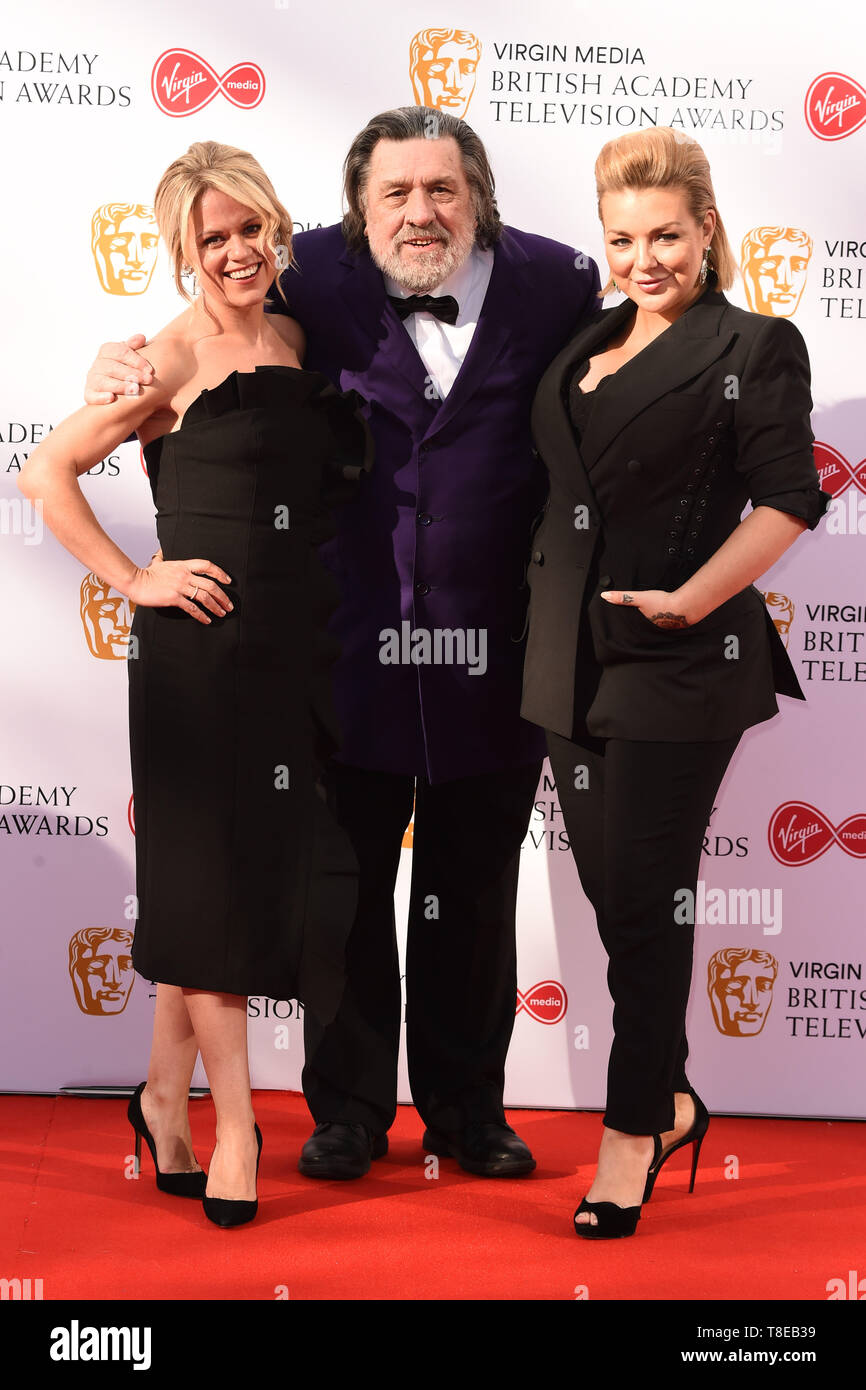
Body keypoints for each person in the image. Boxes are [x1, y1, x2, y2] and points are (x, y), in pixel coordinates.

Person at [85, 107, 600, 1181]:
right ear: (358, 209)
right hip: (334, 644)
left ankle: (467, 1112)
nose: (421, 211)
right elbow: (210, 324)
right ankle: (350, 1112)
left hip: (490, 647)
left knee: (469, 892)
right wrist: (115, 364)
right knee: (343, 888)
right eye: (395, 193)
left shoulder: (557, 282)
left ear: (479, 196)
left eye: (442, 189)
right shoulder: (305, 273)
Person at [20, 140, 370, 1226]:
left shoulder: (299, 333)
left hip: (292, 652)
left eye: (247, 229)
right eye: (209, 238)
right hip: (199, 658)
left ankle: (161, 1100)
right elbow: (44, 471)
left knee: (216, 893)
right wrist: (132, 577)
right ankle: (236, 1125)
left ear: (275, 227)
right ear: (181, 252)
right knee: (214, 896)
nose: (234, 251)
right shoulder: (165, 358)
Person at [521, 127, 829, 1238]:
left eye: (663, 234)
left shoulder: (752, 342)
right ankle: (678, 1094)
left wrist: (691, 600)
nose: (642, 257)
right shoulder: (586, 338)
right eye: (620, 237)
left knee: (644, 905)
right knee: (622, 907)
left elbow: (789, 498)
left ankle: (631, 1127)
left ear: (705, 226)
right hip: (563, 659)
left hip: (681, 660)